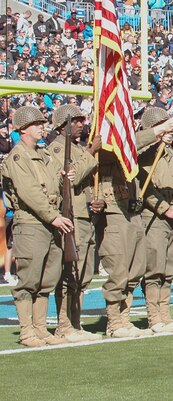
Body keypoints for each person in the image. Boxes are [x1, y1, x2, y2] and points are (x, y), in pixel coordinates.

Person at [97, 115, 173, 338]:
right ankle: (114, 322)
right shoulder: (109, 145)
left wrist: (160, 140)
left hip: (132, 211)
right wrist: (157, 132)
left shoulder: (137, 150)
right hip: (116, 211)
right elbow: (126, 149)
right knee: (119, 269)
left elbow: (138, 157)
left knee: (135, 269)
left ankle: (124, 318)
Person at [1, 107, 74, 346]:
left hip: (50, 223)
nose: (42, 127)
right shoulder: (18, 157)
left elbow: (55, 182)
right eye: (37, 124)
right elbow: (30, 192)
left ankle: (40, 328)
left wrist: (66, 175)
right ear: (23, 129)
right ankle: (26, 332)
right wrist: (53, 216)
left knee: (46, 280)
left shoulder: (43, 155)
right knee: (29, 280)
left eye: (43, 123)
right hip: (32, 223)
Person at [48, 104, 103, 343]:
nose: (82, 123)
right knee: (70, 274)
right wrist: (91, 152)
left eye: (82, 119)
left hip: (85, 214)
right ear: (63, 125)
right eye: (77, 120)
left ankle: (76, 323)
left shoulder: (78, 147)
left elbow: (85, 183)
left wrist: (96, 200)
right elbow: (72, 177)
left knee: (83, 274)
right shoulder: (57, 148)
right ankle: (64, 324)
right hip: (71, 216)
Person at [137, 107, 173, 333]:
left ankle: (166, 315)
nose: (170, 131)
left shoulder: (172, 154)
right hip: (154, 215)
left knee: (170, 268)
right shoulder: (146, 154)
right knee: (154, 268)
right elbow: (144, 186)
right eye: (165, 126)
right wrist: (164, 209)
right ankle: (154, 317)